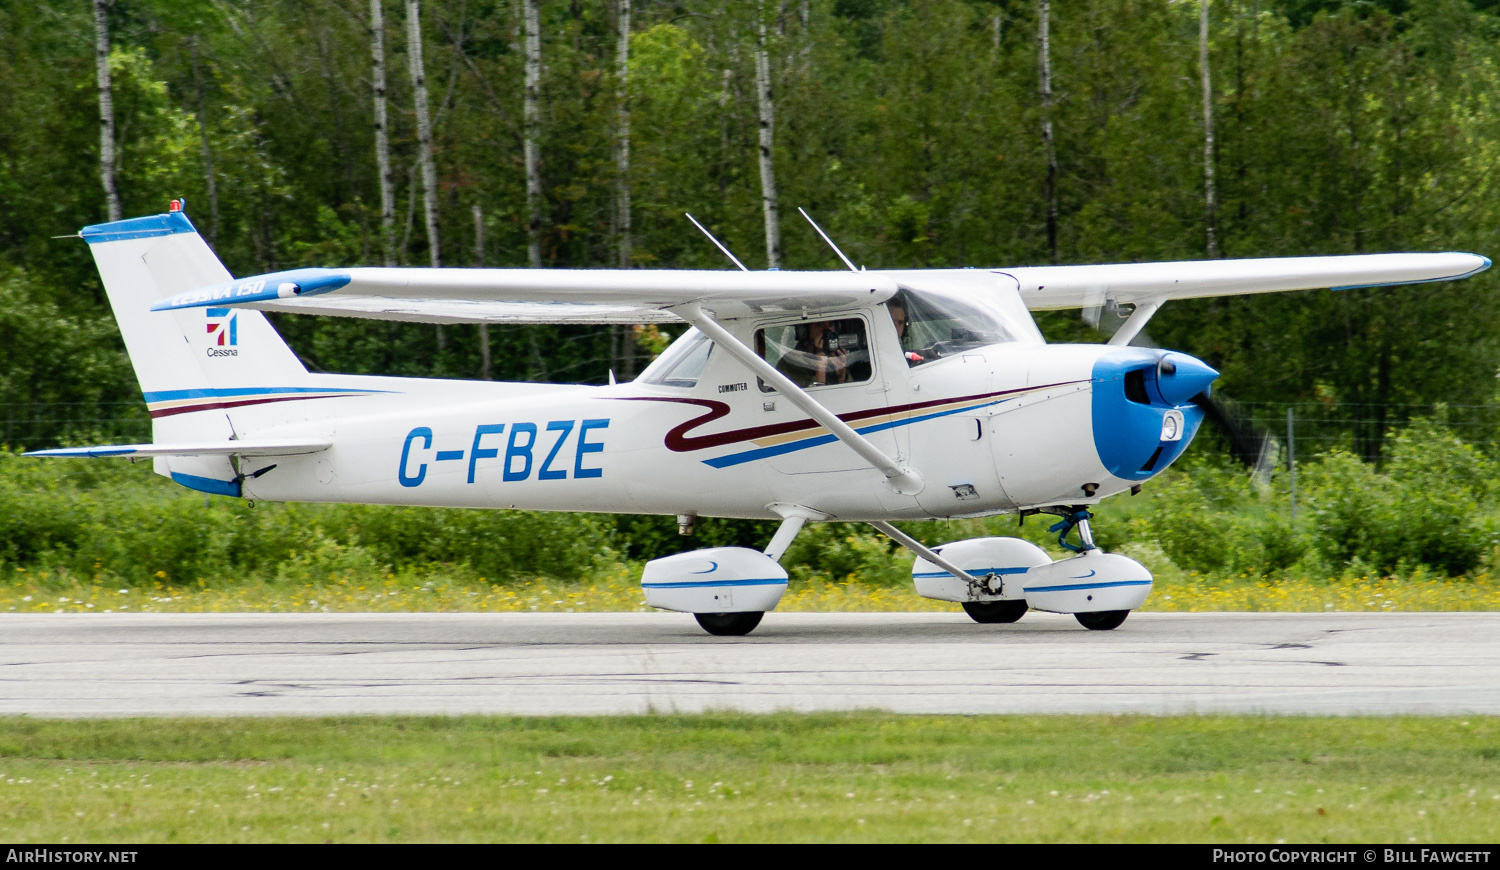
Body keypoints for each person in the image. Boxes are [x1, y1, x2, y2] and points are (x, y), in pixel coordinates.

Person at [775, 320, 848, 387]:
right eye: (819, 325)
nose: (827, 330)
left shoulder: (835, 358)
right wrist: (820, 369)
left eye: (831, 324)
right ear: (805, 331)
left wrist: (841, 377)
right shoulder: (790, 362)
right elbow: (803, 398)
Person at [888, 299, 925, 366]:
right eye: (892, 322)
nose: (896, 328)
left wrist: (926, 353)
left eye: (900, 323)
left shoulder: (899, 349)